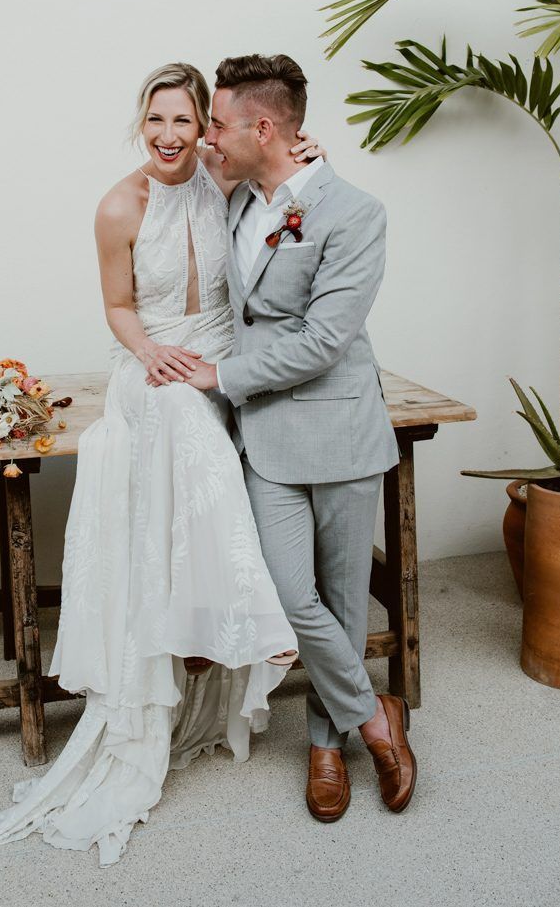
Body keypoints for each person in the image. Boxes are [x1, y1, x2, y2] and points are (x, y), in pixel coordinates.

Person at [0, 62, 325, 866]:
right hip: (150, 363)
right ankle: (257, 616)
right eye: (155, 120)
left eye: (184, 121)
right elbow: (118, 305)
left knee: (205, 410)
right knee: (170, 407)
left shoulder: (220, 177)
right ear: (142, 123)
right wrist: (152, 354)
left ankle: (228, 620)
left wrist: (310, 155)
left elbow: (283, 175)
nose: (169, 137)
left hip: (223, 358)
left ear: (206, 125)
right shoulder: (118, 204)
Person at [163, 53, 417, 821]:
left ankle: (325, 745)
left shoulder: (356, 212)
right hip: (266, 436)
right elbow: (175, 156)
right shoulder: (236, 194)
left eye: (218, 121)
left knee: (340, 601)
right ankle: (378, 717)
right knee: (286, 590)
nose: (208, 133)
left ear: (265, 127)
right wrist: (202, 144)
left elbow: (322, 338)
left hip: (338, 430)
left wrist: (219, 376)